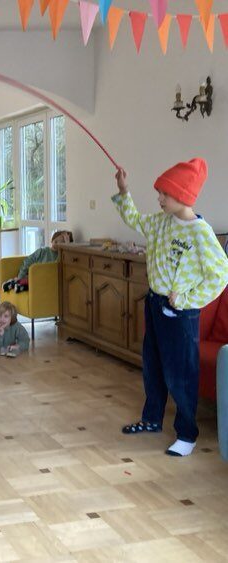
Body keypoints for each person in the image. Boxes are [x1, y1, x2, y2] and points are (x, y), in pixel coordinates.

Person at [114, 159, 228, 457]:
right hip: (155, 304)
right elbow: (134, 219)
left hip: (180, 313)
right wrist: (124, 191)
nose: (159, 199)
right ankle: (152, 419)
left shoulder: (200, 232)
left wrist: (188, 299)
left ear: (183, 195)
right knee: (152, 366)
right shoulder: (159, 222)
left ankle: (187, 434)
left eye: (164, 193)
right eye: (159, 193)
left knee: (181, 373)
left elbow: (220, 274)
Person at [2, 230, 73, 293]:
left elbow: (58, 265)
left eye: (61, 243)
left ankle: (20, 285)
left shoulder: (61, 257)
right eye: (55, 241)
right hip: (33, 277)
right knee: (26, 279)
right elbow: (27, 261)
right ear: (52, 241)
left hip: (45, 281)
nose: (56, 244)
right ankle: (16, 283)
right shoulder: (42, 251)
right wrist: (20, 276)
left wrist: (67, 244)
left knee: (32, 281)